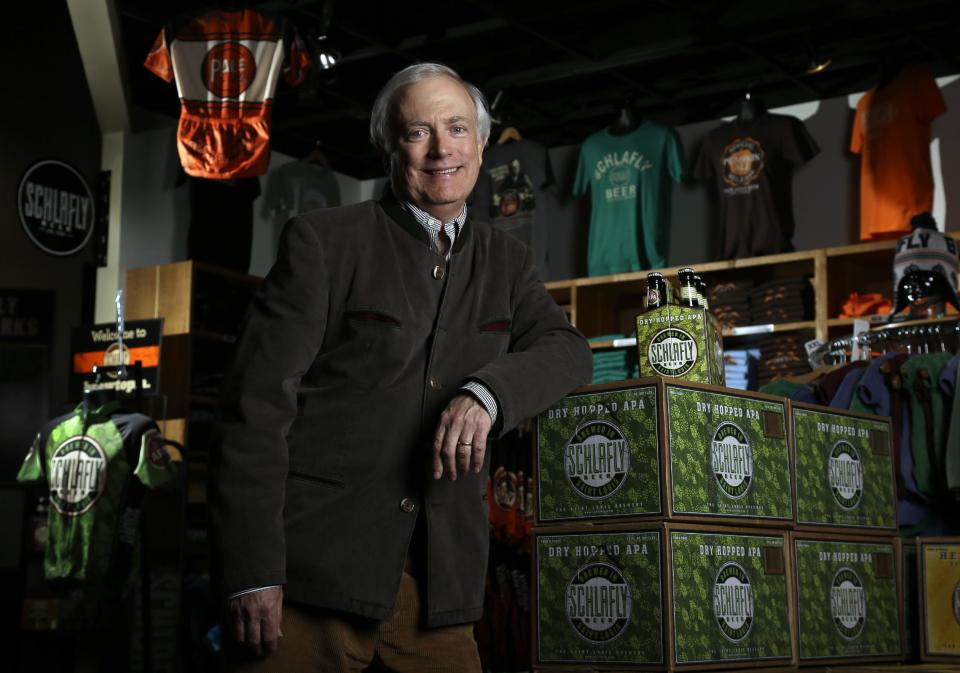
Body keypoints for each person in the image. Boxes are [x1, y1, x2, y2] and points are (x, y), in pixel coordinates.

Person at [211, 62, 592, 672]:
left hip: (438, 590)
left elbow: (570, 351)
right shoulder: (323, 242)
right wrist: (251, 572)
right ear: (389, 146)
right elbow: (253, 410)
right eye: (418, 132)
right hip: (311, 581)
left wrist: (486, 394)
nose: (442, 148)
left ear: (482, 143)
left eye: (457, 128)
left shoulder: (508, 262)